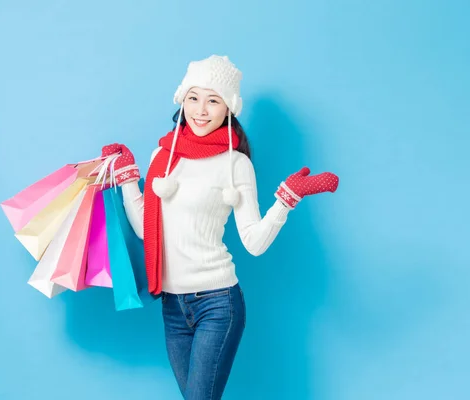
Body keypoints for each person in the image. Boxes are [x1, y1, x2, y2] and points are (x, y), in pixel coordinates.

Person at [101, 55, 339, 400]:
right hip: (172, 305)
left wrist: (287, 198)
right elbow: (145, 229)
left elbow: (254, 242)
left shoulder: (235, 165)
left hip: (217, 304)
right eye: (194, 97)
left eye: (213, 100)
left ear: (228, 108)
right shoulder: (162, 156)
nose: (200, 110)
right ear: (182, 100)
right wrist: (126, 178)